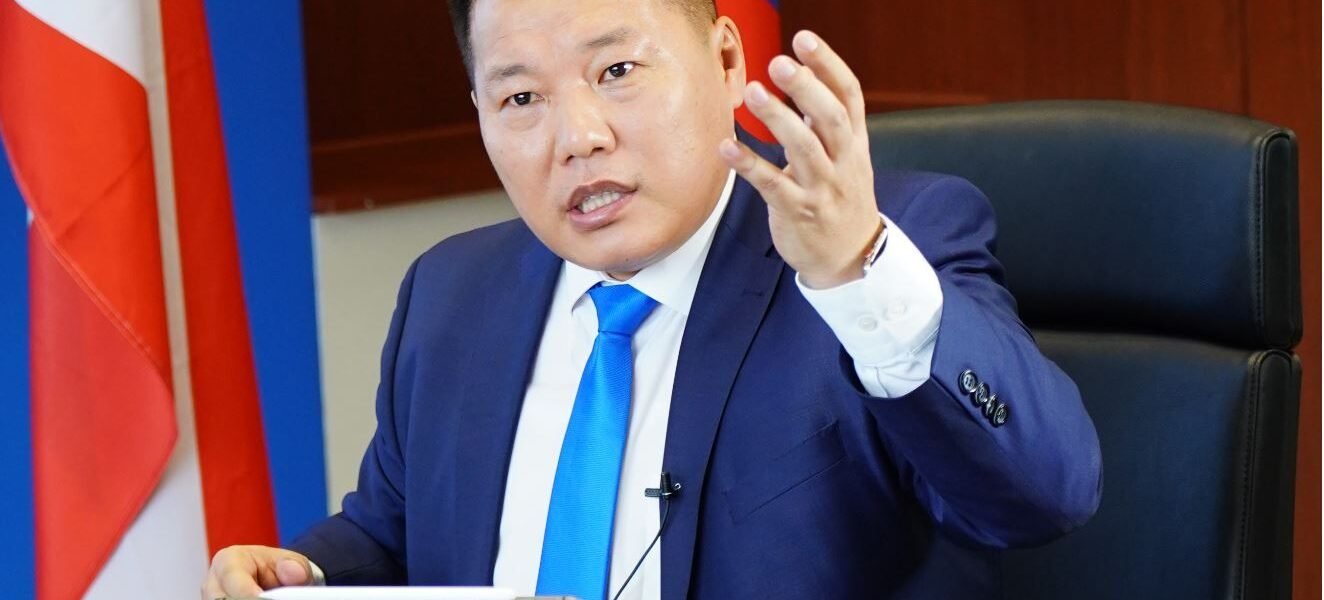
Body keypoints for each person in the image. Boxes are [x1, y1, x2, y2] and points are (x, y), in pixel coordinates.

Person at [203, 0, 1102, 598]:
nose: (578, 137)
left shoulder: (882, 247)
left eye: (617, 72)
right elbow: (395, 536)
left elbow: (1044, 495)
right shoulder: (449, 297)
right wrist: (306, 575)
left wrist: (857, 271)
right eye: (521, 97)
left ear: (725, 60)